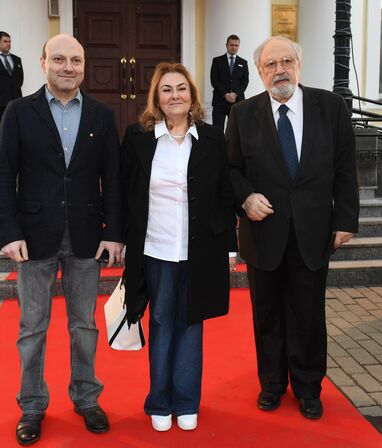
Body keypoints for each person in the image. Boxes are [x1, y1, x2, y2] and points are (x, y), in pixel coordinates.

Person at [0, 33, 123, 445]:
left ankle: (86, 397)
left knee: (84, 325)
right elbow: (2, 175)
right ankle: (32, 405)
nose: (69, 67)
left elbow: (114, 180)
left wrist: (115, 232)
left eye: (77, 61)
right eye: (60, 59)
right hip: (33, 238)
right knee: (33, 327)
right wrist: (9, 232)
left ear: (84, 66)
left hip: (87, 237)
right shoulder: (18, 111)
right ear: (43, 62)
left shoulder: (102, 116)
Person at [226, 36, 359, 420]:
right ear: (260, 71)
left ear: (298, 65)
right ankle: (272, 383)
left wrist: (345, 219)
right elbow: (231, 169)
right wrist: (246, 198)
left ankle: (308, 387)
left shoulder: (330, 108)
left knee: (307, 314)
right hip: (262, 231)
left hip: (312, 231)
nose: (279, 70)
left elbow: (344, 169)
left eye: (286, 61)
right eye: (270, 64)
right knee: (266, 312)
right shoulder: (243, 114)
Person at [121, 62, 238, 432]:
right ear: (157, 96)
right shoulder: (138, 137)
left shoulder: (211, 138)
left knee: (191, 325)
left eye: (182, 88)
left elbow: (224, 195)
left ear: (192, 96)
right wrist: (124, 242)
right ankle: (159, 400)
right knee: (159, 321)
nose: (175, 95)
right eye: (167, 89)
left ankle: (186, 400)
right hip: (155, 250)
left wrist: (229, 248)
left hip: (199, 251)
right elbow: (126, 194)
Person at [210, 34, 249, 131]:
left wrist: (235, 94)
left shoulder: (243, 62)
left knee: (234, 130)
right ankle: (219, 146)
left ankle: (232, 147)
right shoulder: (217, 61)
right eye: (231, 45)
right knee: (217, 130)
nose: (234, 47)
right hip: (219, 101)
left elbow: (245, 81)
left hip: (237, 102)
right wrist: (225, 94)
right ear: (226, 45)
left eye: (236, 45)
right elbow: (214, 80)